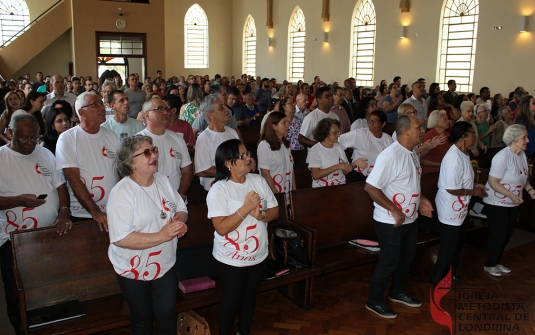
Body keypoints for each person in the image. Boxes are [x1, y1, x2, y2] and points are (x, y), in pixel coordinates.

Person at [107, 135, 188, 334]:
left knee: (166, 313)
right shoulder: (122, 193)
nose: (154, 155)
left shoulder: (162, 180)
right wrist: (163, 235)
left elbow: (181, 208)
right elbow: (121, 238)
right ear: (130, 162)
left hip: (164, 263)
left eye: (153, 150)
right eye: (146, 152)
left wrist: (178, 222)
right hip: (133, 267)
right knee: (142, 318)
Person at [0, 114, 71, 334]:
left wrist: (64, 212)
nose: (31, 143)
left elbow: (60, 188)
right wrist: (20, 201)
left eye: (34, 137)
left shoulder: (45, 153)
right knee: (18, 292)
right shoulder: (1, 158)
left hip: (47, 234)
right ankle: (21, 329)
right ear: (10, 133)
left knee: (48, 290)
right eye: (24, 139)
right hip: (12, 239)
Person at [364, 115, 434, 319]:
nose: (422, 130)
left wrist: (422, 199)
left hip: (409, 218)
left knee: (407, 257)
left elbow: (411, 182)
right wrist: (394, 209)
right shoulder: (390, 156)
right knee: (389, 261)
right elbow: (370, 187)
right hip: (390, 220)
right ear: (405, 131)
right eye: (418, 127)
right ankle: (374, 300)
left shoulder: (411, 152)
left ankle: (397, 291)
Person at [207, 139, 278, 335]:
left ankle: (243, 332)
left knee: (249, 297)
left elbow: (275, 211)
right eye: (243, 156)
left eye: (248, 154)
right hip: (230, 258)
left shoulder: (258, 180)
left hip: (258, 254)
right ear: (228, 163)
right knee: (231, 299)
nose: (249, 158)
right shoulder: (219, 189)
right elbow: (221, 228)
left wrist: (261, 215)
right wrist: (246, 208)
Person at [429, 122, 488, 285]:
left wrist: (474, 186)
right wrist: (473, 192)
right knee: (449, 246)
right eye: (472, 133)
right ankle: (437, 277)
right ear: (464, 136)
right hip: (450, 208)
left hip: (460, 207)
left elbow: (461, 181)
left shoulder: (464, 153)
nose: (474, 136)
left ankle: (450, 274)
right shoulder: (454, 157)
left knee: (457, 244)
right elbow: (451, 188)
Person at [56, 92, 120, 230]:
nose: (102, 108)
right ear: (81, 112)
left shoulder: (111, 136)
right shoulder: (67, 138)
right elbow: (73, 179)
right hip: (82, 215)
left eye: (102, 103)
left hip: (111, 212)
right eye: (95, 104)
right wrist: (95, 211)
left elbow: (119, 172)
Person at [483, 125, 535, 276]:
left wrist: (530, 190)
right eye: (524, 137)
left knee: (507, 233)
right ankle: (489, 263)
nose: (527, 140)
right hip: (497, 202)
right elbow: (493, 181)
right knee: (499, 233)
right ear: (513, 139)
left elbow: (522, 176)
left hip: (514, 201)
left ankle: (496, 261)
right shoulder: (502, 156)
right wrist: (511, 196)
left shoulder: (521, 154)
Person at [137, 98, 193, 202]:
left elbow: (187, 171)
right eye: (159, 109)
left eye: (166, 109)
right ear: (147, 115)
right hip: (151, 201)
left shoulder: (178, 139)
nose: (166, 112)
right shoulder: (138, 141)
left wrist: (179, 195)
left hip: (177, 201)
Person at [195, 94, 240, 191]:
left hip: (236, 185)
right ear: (210, 115)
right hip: (217, 190)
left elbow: (240, 155)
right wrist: (231, 170)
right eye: (221, 108)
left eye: (224, 106)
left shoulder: (232, 132)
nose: (227, 109)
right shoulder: (204, 138)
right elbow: (202, 170)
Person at [339, 111, 393, 181]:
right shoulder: (359, 134)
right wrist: (345, 162)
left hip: (381, 177)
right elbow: (338, 141)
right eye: (369, 121)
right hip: (361, 176)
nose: (371, 124)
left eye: (375, 121)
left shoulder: (388, 139)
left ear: (383, 124)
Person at [257, 111, 295, 201]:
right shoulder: (264, 146)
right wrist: (277, 196)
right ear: (274, 126)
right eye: (284, 123)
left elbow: (291, 169)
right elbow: (265, 174)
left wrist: (294, 191)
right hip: (273, 194)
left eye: (287, 122)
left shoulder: (285, 144)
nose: (287, 126)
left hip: (287, 192)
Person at [308, 118, 353, 187]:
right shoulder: (315, 150)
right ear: (325, 132)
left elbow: (345, 171)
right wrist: (337, 167)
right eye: (335, 132)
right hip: (321, 189)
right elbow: (316, 175)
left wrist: (354, 164)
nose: (338, 135)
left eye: (338, 132)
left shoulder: (339, 147)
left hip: (340, 186)